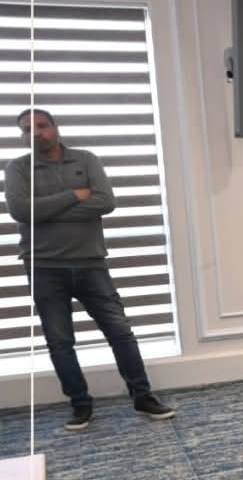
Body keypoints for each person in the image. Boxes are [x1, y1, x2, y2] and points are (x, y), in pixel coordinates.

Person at [4, 108, 175, 430]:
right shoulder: (18, 168)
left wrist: (46, 213)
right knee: (60, 342)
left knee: (120, 333)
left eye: (41, 125)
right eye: (27, 129)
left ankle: (142, 396)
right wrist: (74, 195)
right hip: (44, 268)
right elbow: (21, 211)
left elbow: (105, 202)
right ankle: (80, 405)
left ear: (55, 127)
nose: (35, 133)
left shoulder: (86, 159)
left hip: (91, 263)